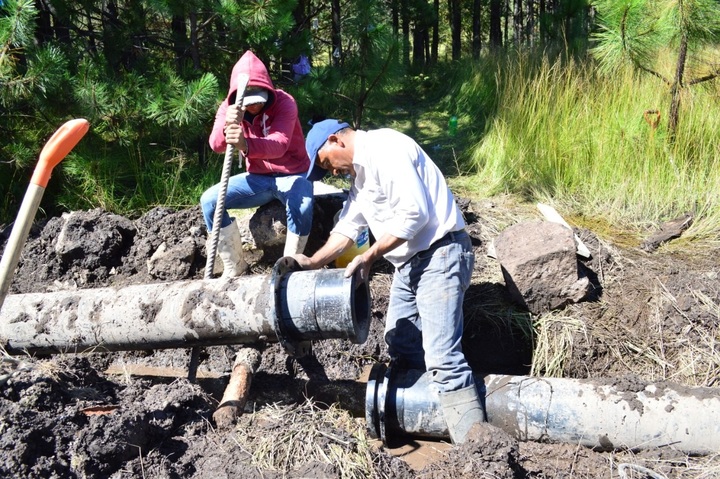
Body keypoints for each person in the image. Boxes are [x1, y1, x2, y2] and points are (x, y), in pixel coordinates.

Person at [294, 119, 486, 444]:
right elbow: (348, 228)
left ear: (335, 141)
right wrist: (313, 262)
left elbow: (415, 214)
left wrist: (370, 256)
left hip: (441, 252)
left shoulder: (385, 149)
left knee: (443, 357)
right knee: (402, 342)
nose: (332, 173)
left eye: (326, 164)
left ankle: (478, 447)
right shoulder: (361, 178)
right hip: (410, 264)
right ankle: (426, 416)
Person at [201, 50, 313, 277]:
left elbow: (279, 144)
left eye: (258, 101)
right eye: (248, 103)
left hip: (293, 174)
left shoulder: (285, 102)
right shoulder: (229, 107)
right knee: (210, 202)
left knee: (302, 206)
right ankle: (235, 267)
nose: (254, 107)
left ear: (268, 92)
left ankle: (290, 268)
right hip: (258, 179)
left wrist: (246, 144)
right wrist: (227, 127)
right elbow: (216, 144)